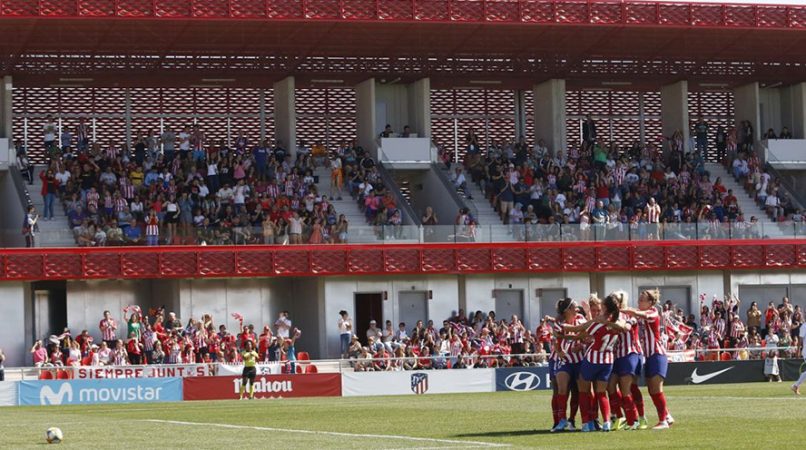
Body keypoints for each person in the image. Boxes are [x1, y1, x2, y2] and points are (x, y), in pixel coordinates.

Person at [563, 294, 626, 432]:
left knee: (583, 391)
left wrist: (564, 330)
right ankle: (607, 422)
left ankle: (586, 423)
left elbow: (579, 332)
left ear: (604, 307)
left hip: (593, 359)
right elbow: (622, 328)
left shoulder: (598, 323)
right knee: (601, 393)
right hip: (608, 361)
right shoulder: (618, 320)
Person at [623, 289, 675, 430]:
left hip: (657, 355)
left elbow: (639, 314)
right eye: (639, 298)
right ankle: (667, 416)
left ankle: (663, 421)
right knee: (652, 390)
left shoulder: (652, 312)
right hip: (649, 356)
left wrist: (627, 309)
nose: (639, 301)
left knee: (656, 388)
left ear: (650, 302)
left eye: (642, 299)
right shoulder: (642, 315)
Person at [549, 298, 586, 432]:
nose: (577, 309)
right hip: (564, 359)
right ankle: (561, 420)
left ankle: (572, 420)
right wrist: (559, 351)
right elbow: (558, 339)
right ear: (566, 310)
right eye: (574, 307)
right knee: (561, 390)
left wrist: (581, 344)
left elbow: (587, 335)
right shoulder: (559, 322)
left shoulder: (581, 318)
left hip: (579, 360)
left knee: (577, 392)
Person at [792, 323, 806, 395]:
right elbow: (800, 340)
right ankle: (796, 385)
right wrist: (798, 350)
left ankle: (795, 385)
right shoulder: (804, 326)